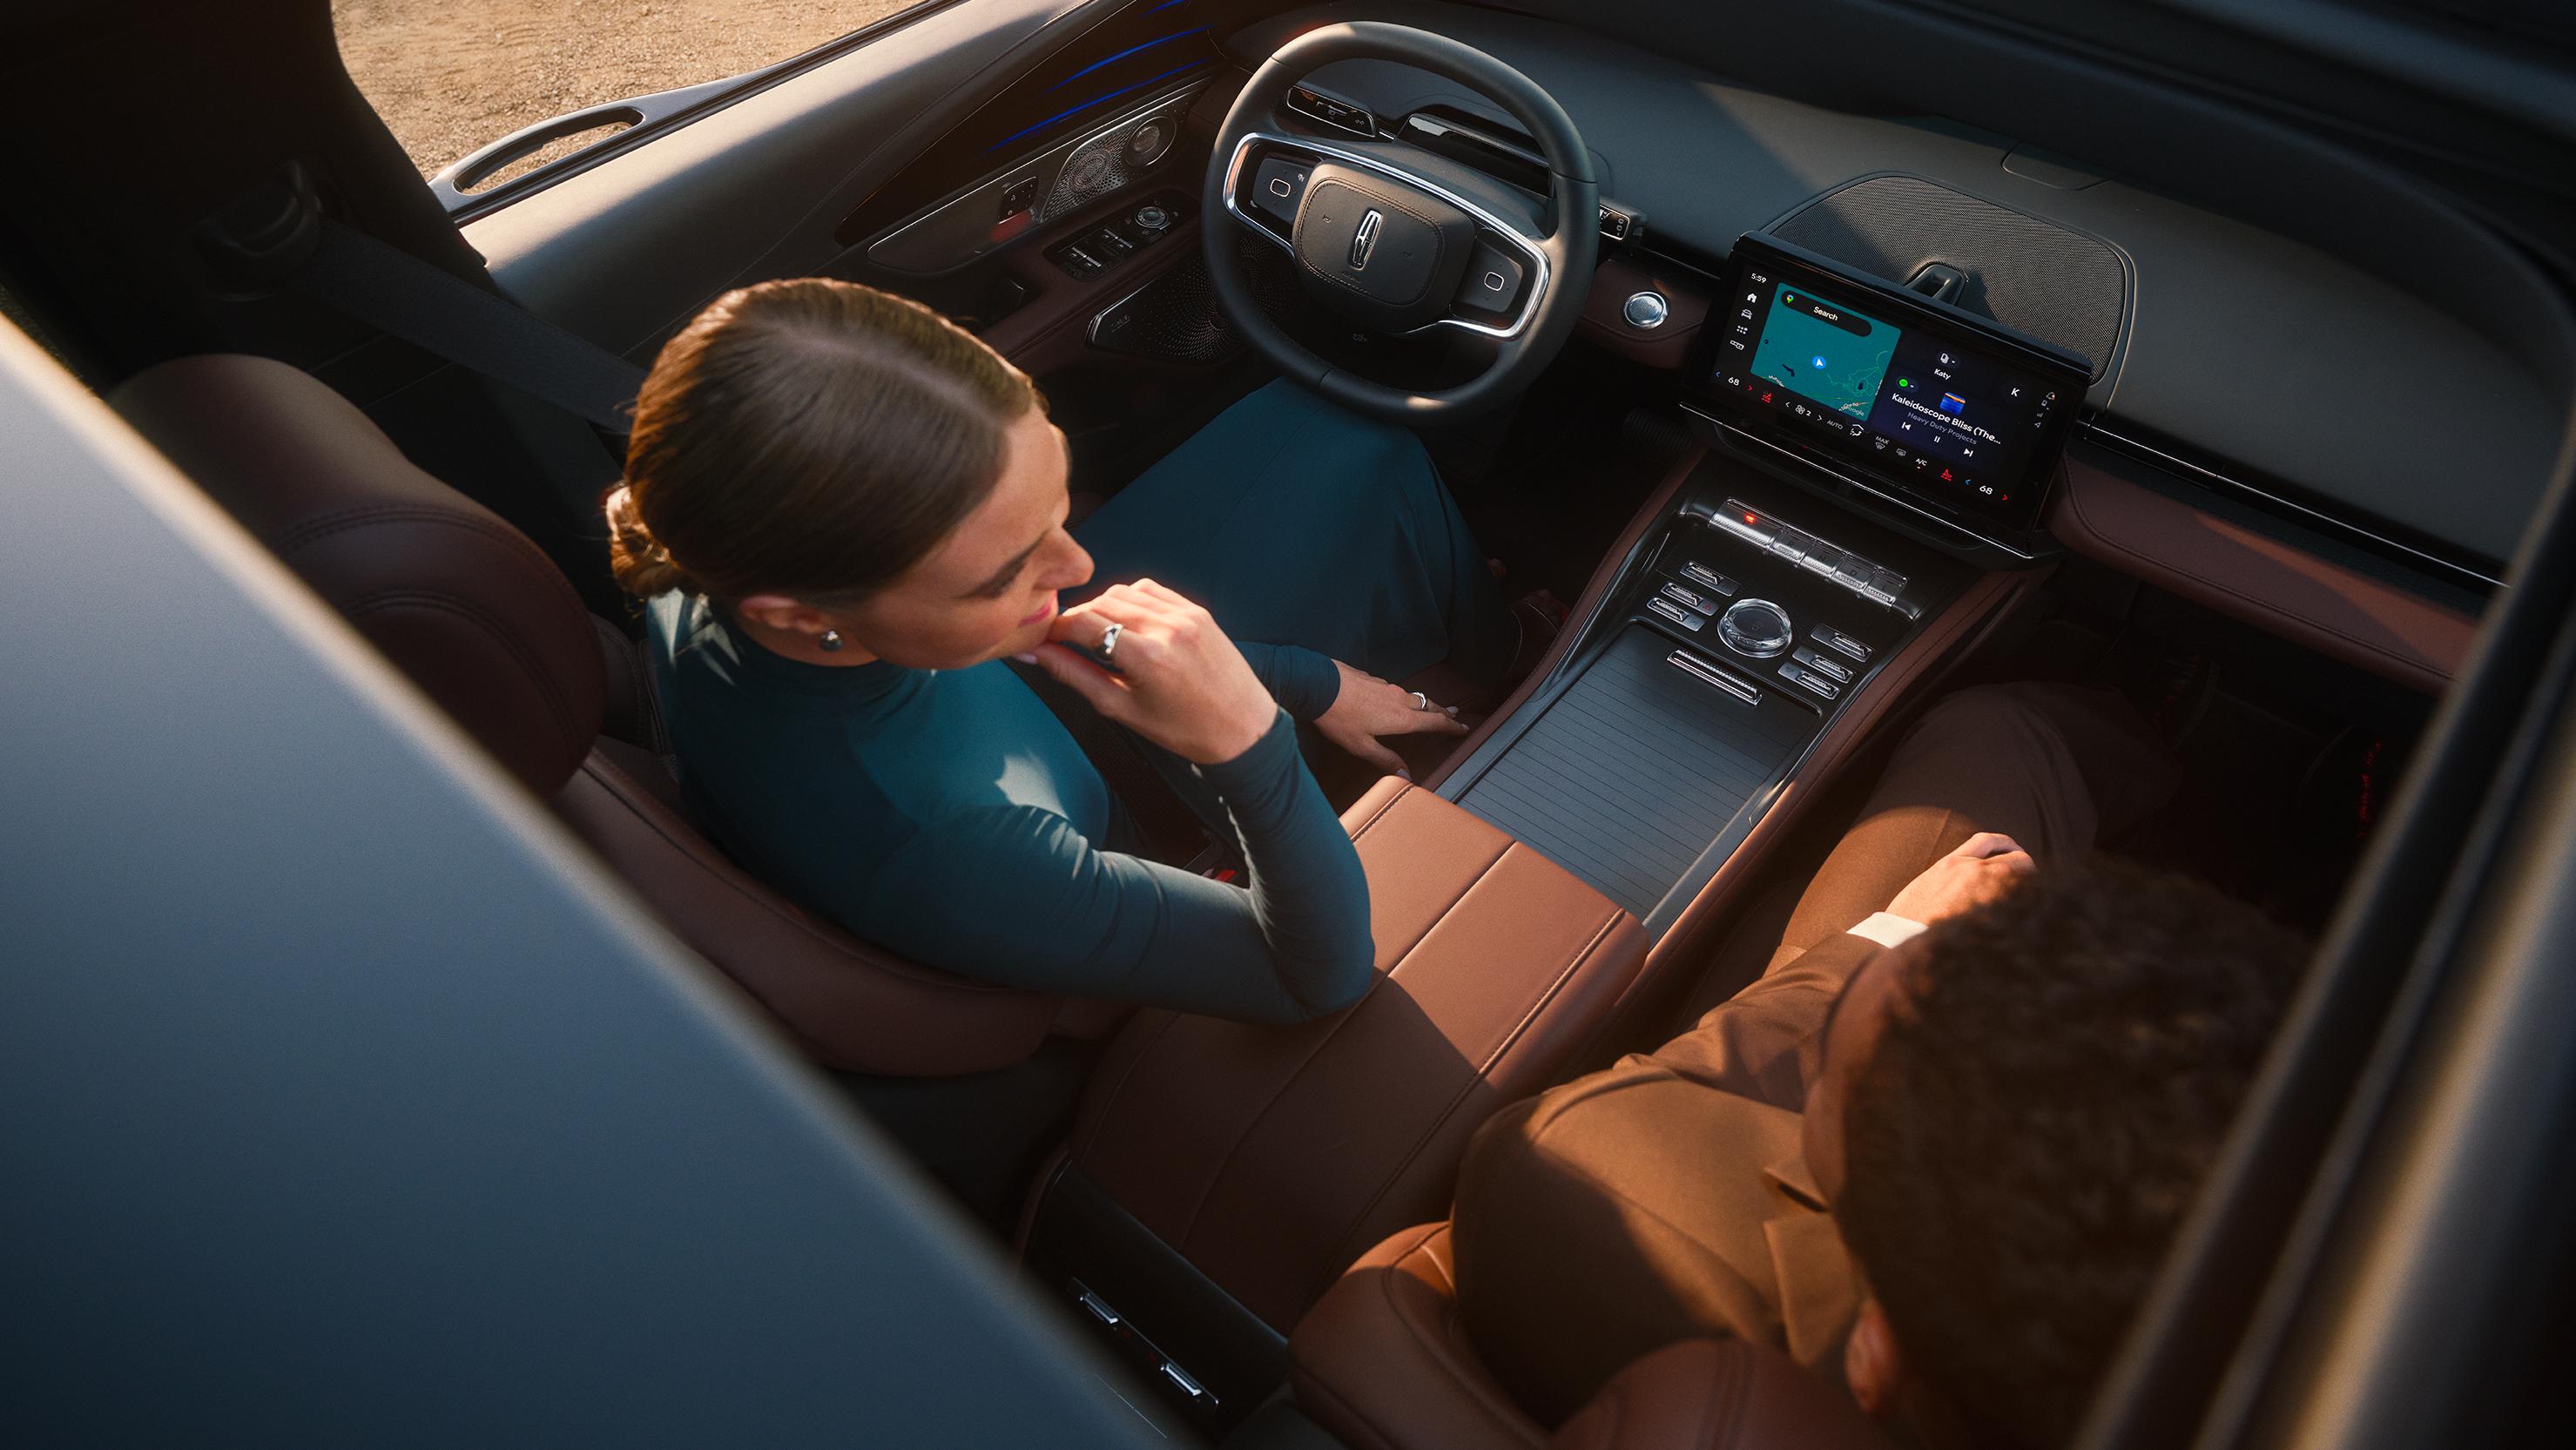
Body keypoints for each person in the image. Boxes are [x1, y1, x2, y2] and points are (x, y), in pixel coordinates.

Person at [604, 277, 1523, 1023]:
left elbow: (1028, 617)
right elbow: (1320, 980)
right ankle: (1506, 652)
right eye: (1004, 573)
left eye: (1056, 505)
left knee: (1345, 434)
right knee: (1369, 467)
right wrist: (1253, 743)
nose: (1080, 563)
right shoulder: (951, 855)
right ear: (803, 613)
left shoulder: (713, 535)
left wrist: (1305, 675)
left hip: (1043, 705)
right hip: (1125, 787)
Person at [1446, 684, 2308, 1448]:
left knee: (2003, 728)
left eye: (1836, 1097)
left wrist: (1896, 937)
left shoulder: (1571, 1199)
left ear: (1874, 1354)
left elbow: (1610, 1123)